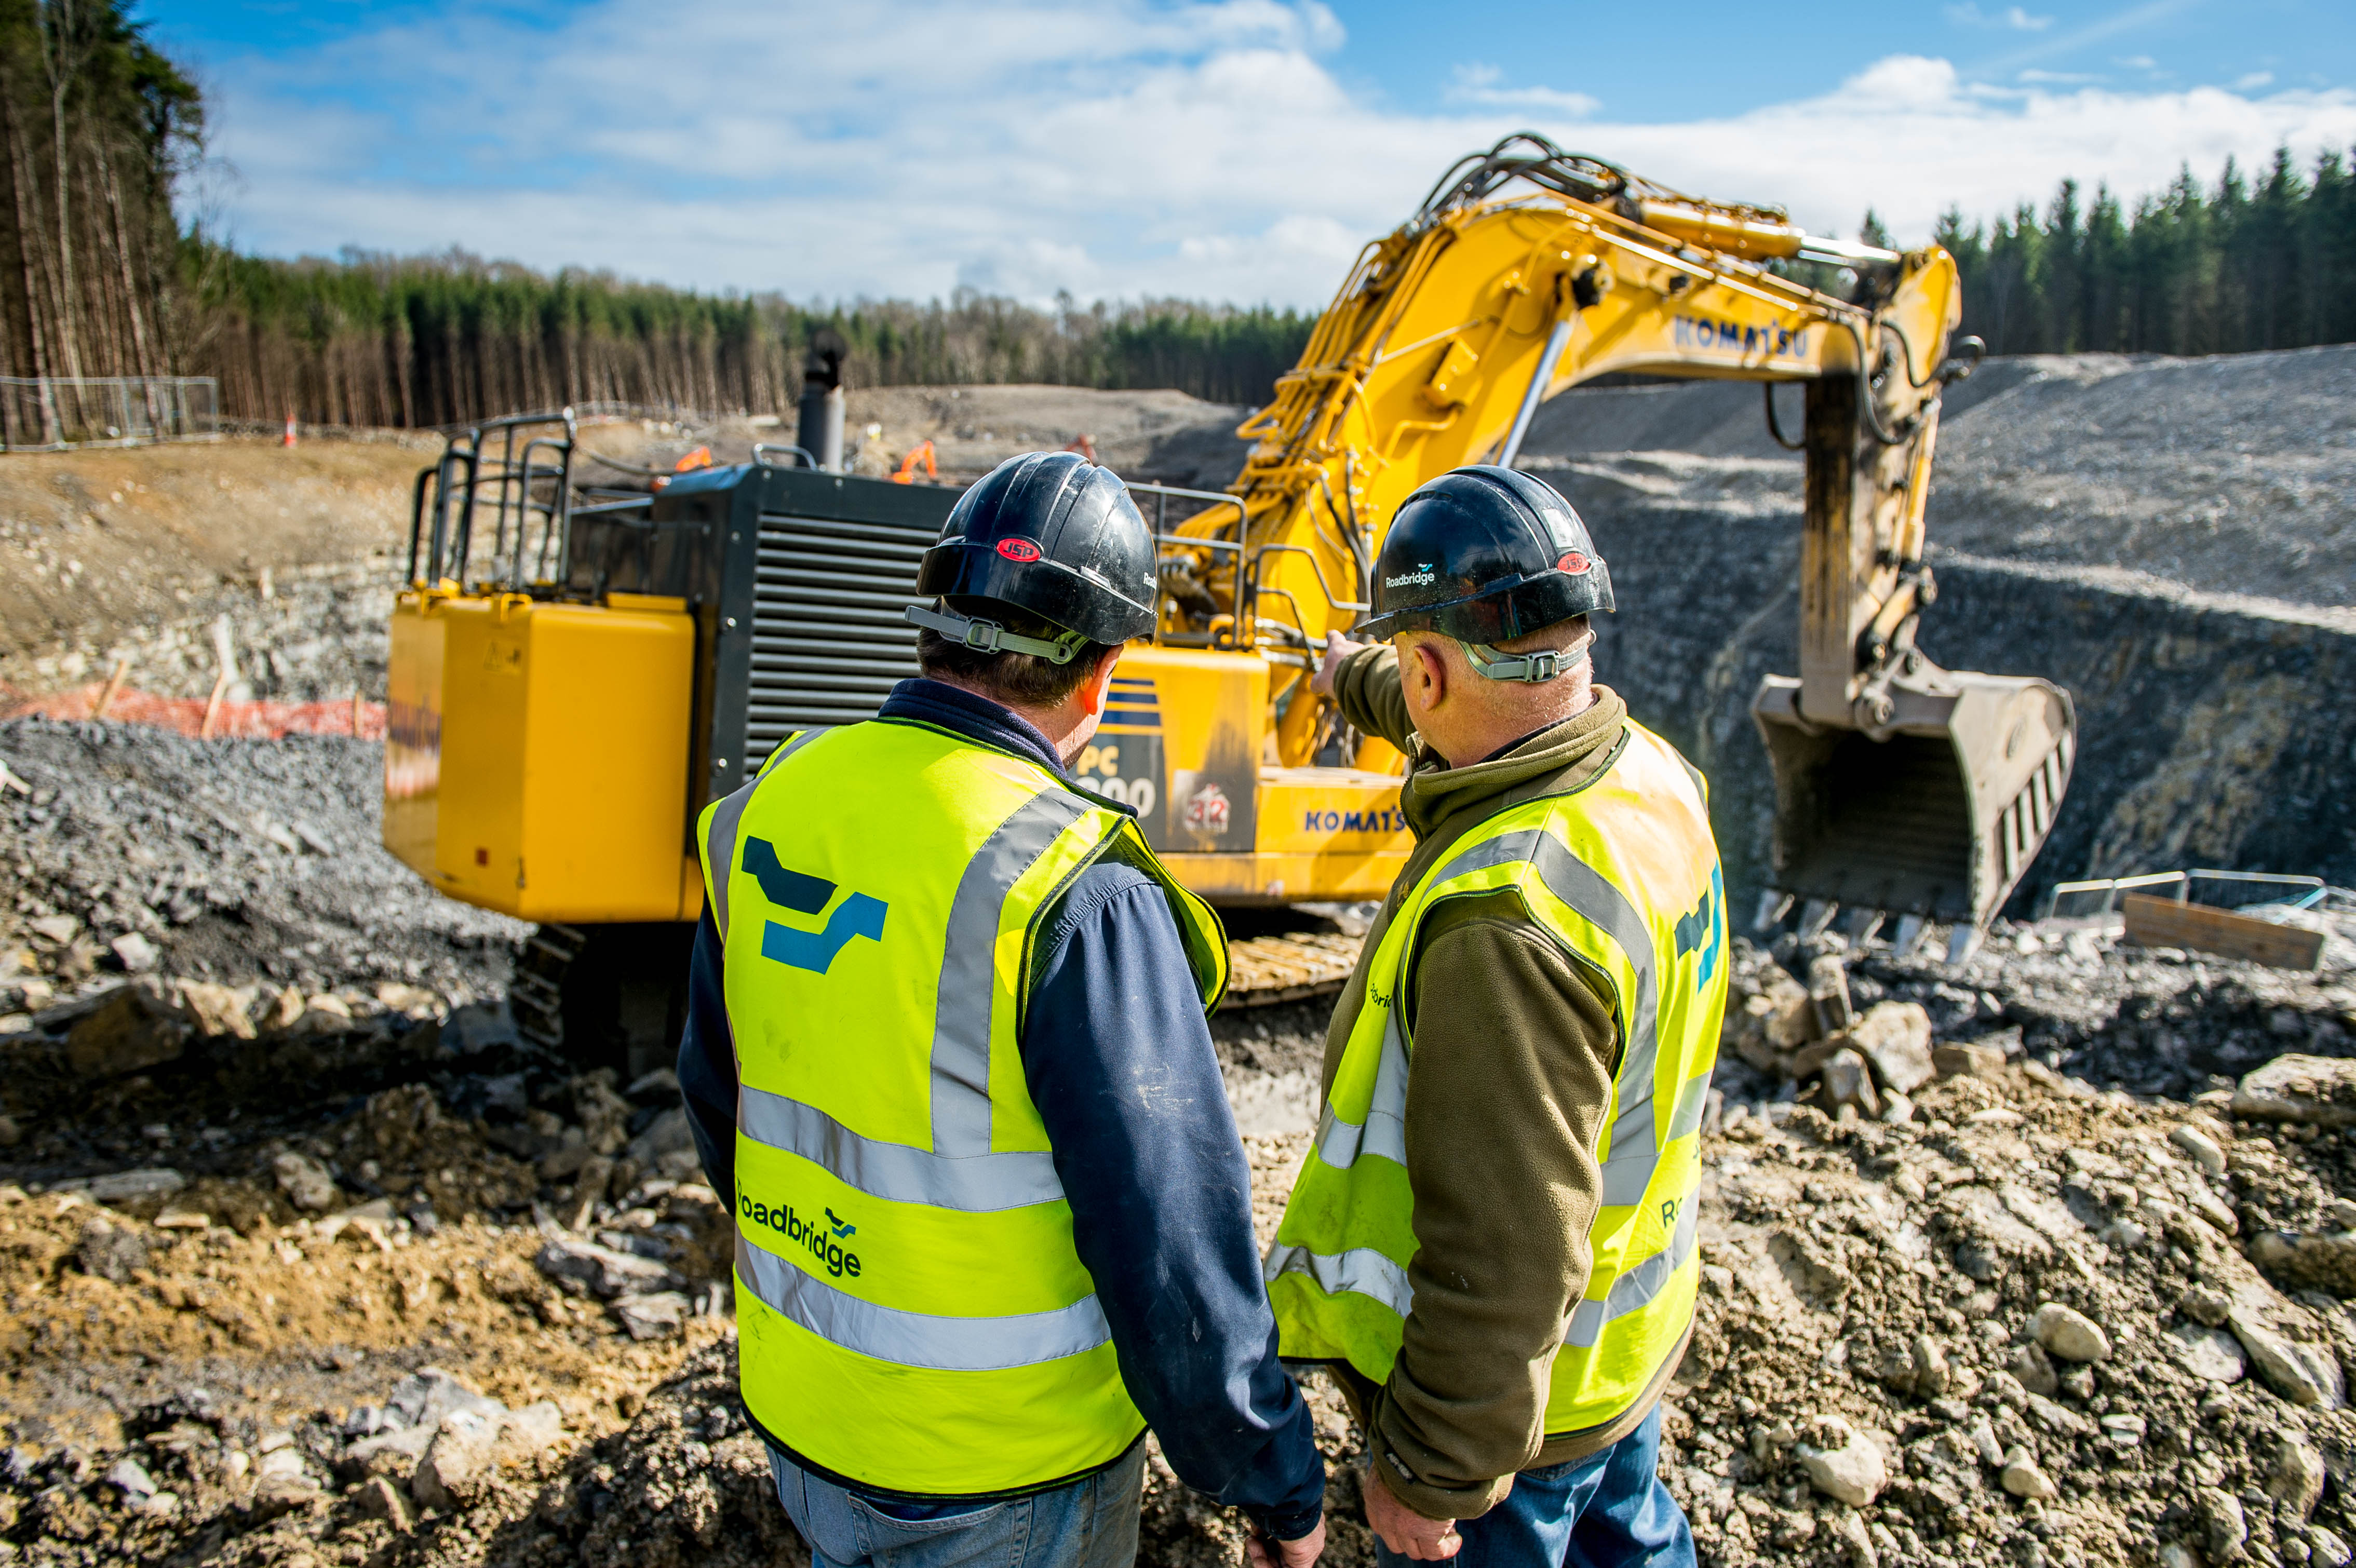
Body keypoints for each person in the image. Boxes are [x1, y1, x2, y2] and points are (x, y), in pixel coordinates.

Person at [677, 450, 1327, 1568]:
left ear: (932, 622)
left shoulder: (771, 802)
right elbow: (1168, 1245)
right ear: (1104, 674)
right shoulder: (1072, 887)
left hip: (809, 1421)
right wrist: (1267, 1476)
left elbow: (716, 1101)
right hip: (1001, 1471)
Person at [1268, 465, 1728, 1568]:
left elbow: (1506, 1250)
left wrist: (1432, 1471)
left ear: (1429, 667)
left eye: (1408, 668)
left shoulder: (1506, 919)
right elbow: (1456, 701)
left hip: (1509, 1435)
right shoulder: (1651, 783)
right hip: (1612, 1358)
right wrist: (1353, 680)